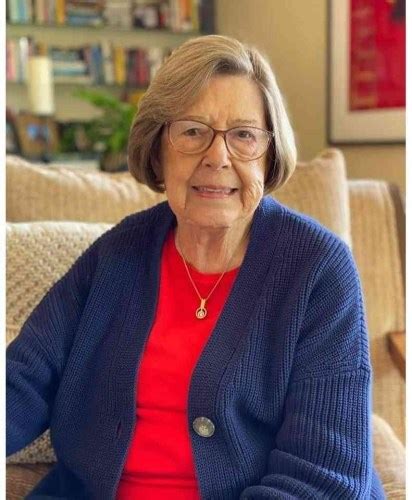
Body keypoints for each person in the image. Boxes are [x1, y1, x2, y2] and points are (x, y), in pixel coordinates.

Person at [7, 35, 386, 499]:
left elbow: (324, 476)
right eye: (191, 131)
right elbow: (21, 381)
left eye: (244, 135)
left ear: (269, 156)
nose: (217, 156)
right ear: (158, 150)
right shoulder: (117, 254)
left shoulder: (318, 271)